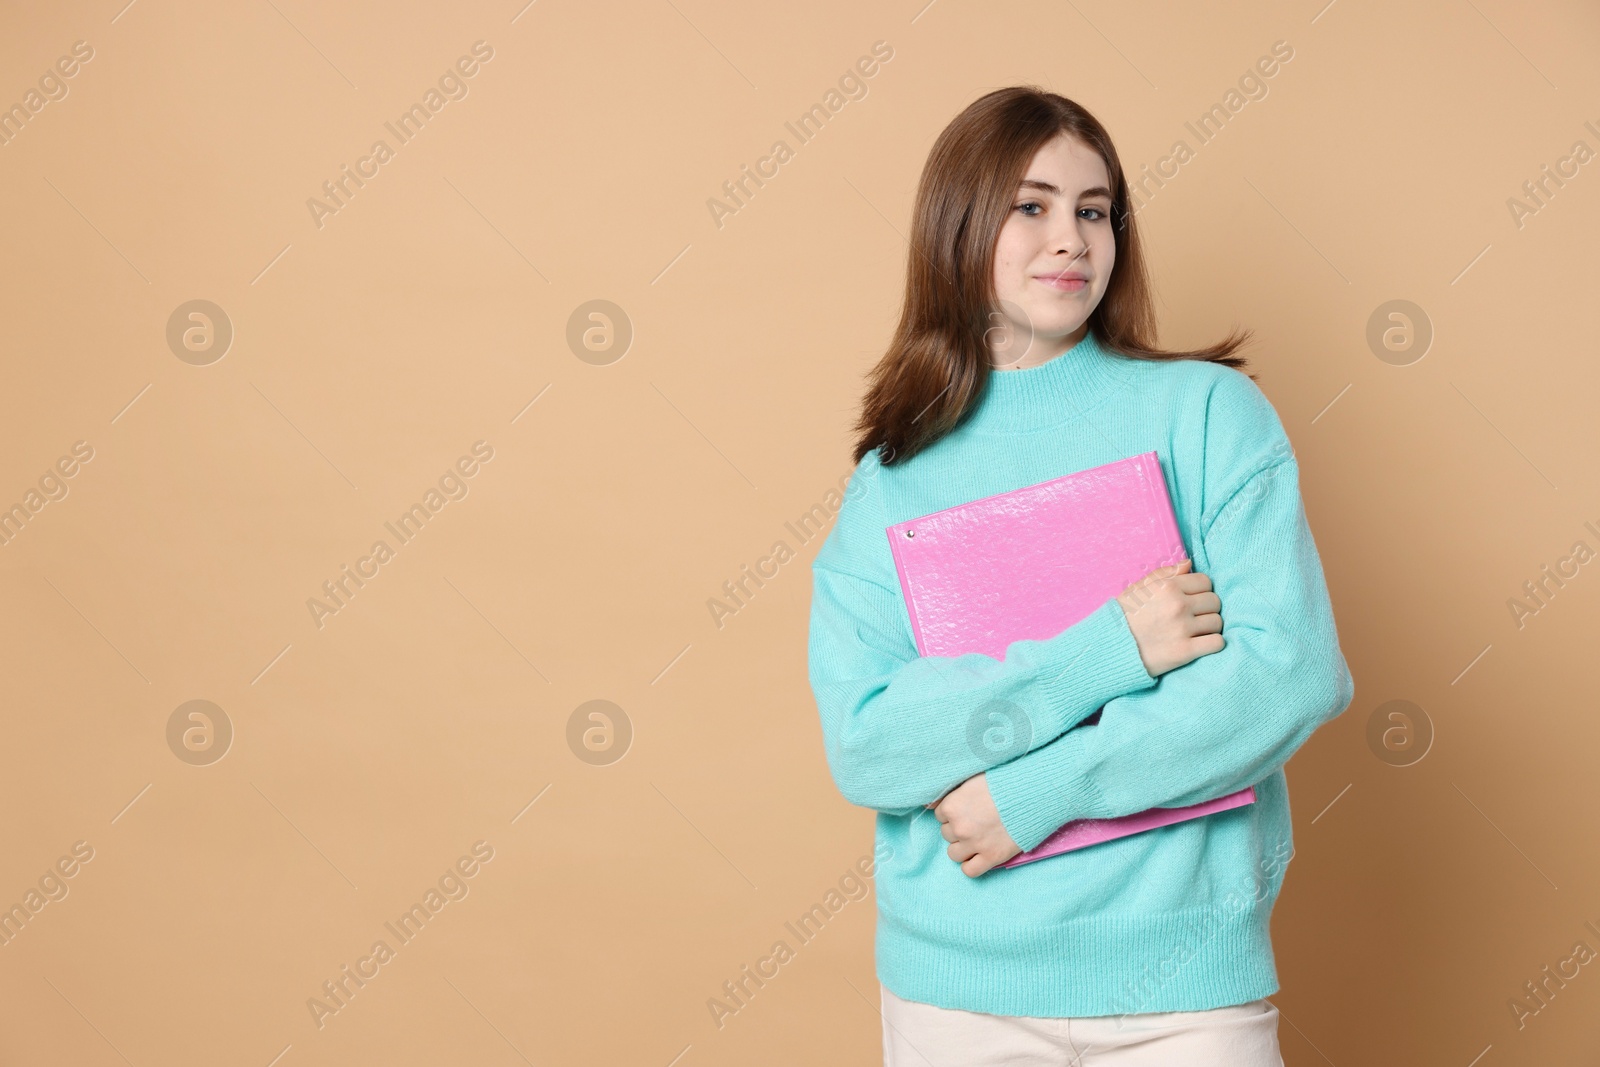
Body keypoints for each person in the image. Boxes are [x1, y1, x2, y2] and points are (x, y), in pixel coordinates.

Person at [806, 86, 1355, 1065]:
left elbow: (1288, 670)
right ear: (959, 227)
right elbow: (870, 742)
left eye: (1093, 209)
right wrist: (1104, 653)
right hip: (954, 997)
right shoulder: (890, 479)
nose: (1070, 238)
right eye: (1032, 205)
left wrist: (1045, 789)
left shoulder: (1206, 414)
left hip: (1185, 988)